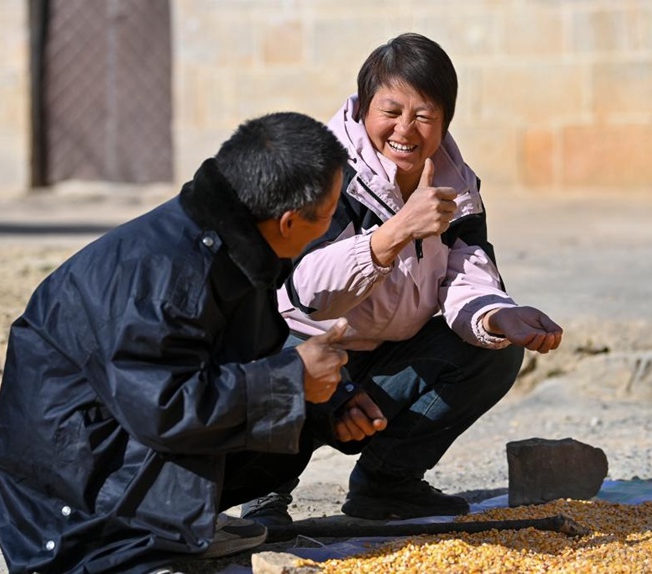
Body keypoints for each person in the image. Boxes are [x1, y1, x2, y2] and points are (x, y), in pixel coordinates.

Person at [0, 112, 351, 574]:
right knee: (279, 397)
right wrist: (293, 379)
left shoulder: (231, 239)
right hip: (71, 515)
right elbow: (163, 408)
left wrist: (330, 401)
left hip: (116, 442)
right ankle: (141, 543)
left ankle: (183, 524)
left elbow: (245, 357)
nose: (332, 224)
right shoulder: (164, 277)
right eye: (329, 214)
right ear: (288, 222)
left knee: (290, 415)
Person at [241, 33, 563, 525]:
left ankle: (387, 484)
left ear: (445, 120)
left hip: (382, 360)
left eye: (424, 116)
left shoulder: (456, 185)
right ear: (362, 108)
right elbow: (303, 293)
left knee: (494, 352)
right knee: (272, 353)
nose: (405, 130)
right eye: (391, 111)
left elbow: (466, 269)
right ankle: (264, 492)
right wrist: (394, 234)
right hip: (303, 348)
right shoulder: (322, 173)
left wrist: (498, 315)